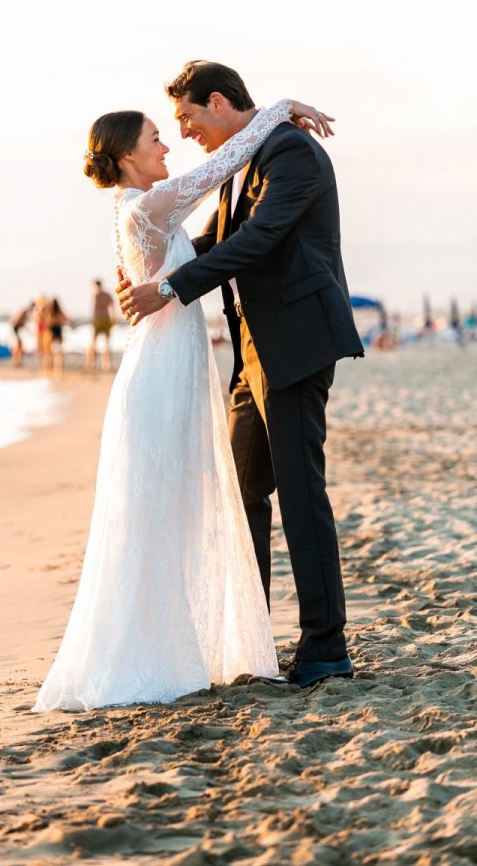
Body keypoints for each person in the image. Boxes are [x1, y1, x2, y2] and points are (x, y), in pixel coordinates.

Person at [33, 94, 330, 712]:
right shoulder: (150, 204)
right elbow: (223, 164)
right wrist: (279, 108)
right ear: (127, 158)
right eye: (155, 139)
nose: (168, 144)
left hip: (172, 369)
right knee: (166, 511)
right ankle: (157, 655)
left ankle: (178, 646)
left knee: (173, 511)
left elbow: (211, 234)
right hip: (161, 378)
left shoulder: (144, 209)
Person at [118, 61, 364, 689]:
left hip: (299, 342)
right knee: (245, 489)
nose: (184, 132)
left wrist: (170, 290)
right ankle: (252, 639)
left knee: (300, 491)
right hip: (254, 353)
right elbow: (213, 244)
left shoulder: (292, 153)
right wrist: (156, 277)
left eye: (188, 117)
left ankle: (325, 647)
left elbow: (259, 239)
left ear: (220, 102)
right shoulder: (242, 159)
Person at [85, 279, 115, 372]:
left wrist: (94, 320)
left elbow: (95, 309)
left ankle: (90, 364)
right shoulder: (107, 295)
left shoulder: (96, 295)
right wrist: (113, 318)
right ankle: (107, 365)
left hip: (98, 320)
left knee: (93, 343)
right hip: (106, 318)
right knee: (106, 343)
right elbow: (112, 307)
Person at [42, 297, 70, 378]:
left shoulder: (48, 313)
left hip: (50, 335)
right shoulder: (59, 313)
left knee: (49, 355)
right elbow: (67, 320)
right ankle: (57, 372)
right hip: (56, 335)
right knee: (57, 355)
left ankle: (49, 371)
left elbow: (44, 322)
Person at [11, 301, 34, 366]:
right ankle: (16, 361)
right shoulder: (25, 312)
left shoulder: (24, 312)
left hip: (16, 328)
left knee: (19, 345)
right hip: (16, 328)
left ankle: (17, 361)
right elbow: (18, 321)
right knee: (19, 345)